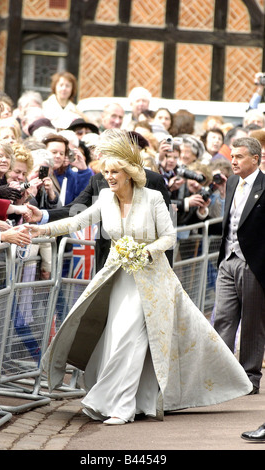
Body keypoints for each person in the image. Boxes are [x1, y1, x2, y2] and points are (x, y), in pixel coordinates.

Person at [25, 129, 252, 425]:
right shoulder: (105, 197)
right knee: (116, 337)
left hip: (154, 282)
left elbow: (169, 237)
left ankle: (120, 406)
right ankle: (134, 402)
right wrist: (41, 228)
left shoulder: (154, 198)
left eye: (115, 171)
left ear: (130, 173)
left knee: (130, 341)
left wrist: (146, 252)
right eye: (106, 171)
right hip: (118, 280)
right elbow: (78, 220)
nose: (109, 176)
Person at [25, 130, 173, 272]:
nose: (109, 176)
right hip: (109, 262)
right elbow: (76, 216)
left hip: (147, 268)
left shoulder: (153, 185)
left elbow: (168, 233)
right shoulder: (103, 189)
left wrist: (147, 256)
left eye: (106, 152)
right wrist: (43, 222)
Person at [213, 137, 265, 395]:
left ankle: (250, 378)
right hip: (228, 259)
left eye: (239, 157)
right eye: (232, 156)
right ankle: (219, 375)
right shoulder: (232, 181)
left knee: (253, 323)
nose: (232, 161)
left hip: (253, 264)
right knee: (222, 316)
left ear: (255, 159)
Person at [42, 133, 92, 205]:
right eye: (54, 152)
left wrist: (83, 171)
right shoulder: (37, 173)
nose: (58, 156)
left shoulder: (66, 175)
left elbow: (81, 201)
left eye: (62, 153)